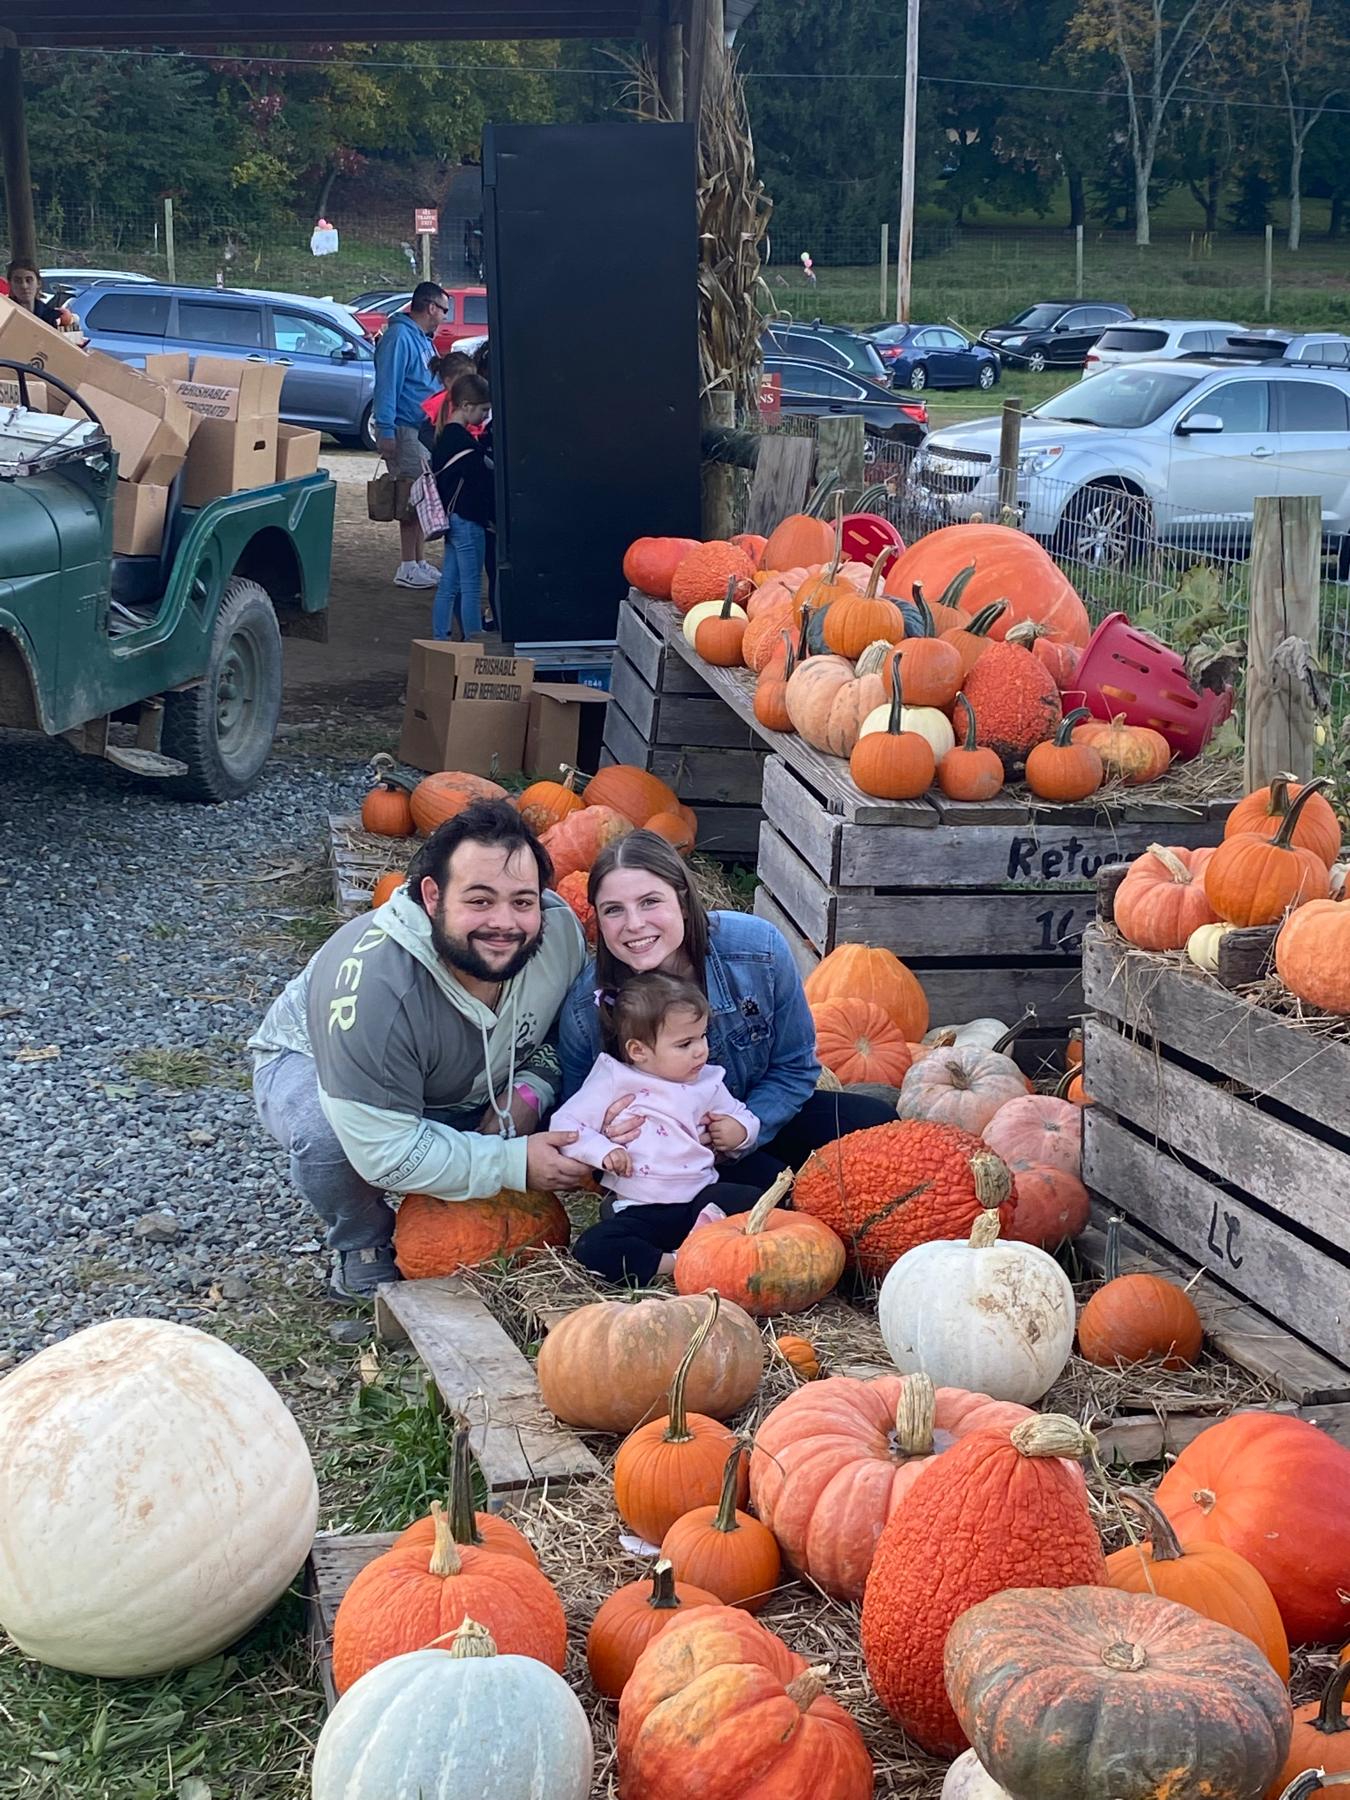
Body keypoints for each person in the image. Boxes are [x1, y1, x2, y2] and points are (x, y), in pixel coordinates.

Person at [250, 798, 593, 1299]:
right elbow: (383, 1151)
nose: (504, 923)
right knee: (326, 1137)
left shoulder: (560, 935)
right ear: (432, 897)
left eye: (522, 901)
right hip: (326, 1066)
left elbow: (569, 1035)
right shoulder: (375, 990)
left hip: (478, 1069)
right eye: (479, 900)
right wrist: (513, 1163)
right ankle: (362, 1241)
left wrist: (531, 1090)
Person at [559, 832, 897, 1189]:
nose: (634, 924)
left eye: (650, 902)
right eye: (614, 910)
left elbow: (795, 1066)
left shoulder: (758, 951)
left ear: (682, 898)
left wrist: (746, 1128)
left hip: (756, 1114)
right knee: (766, 1190)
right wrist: (608, 1138)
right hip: (673, 1158)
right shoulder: (586, 1009)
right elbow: (574, 1122)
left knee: (875, 1123)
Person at [554, 972, 764, 1284]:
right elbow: (565, 1125)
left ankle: (705, 1238)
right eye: (685, 1044)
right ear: (639, 1051)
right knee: (594, 1249)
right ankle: (675, 1262)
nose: (700, 1051)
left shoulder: (706, 1081)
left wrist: (740, 1132)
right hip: (641, 1208)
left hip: (700, 1199)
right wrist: (603, 1150)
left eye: (702, 1037)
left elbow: (743, 1116)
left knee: (754, 1196)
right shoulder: (613, 1080)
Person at [372, 280, 448, 591]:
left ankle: (416, 561)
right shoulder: (400, 337)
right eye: (443, 310)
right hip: (406, 429)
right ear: (431, 307)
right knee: (409, 497)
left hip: (420, 430)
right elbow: (387, 386)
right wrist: (386, 431)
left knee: (420, 497)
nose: (444, 316)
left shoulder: (419, 338)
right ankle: (407, 565)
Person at [431, 371, 493, 642]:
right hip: (469, 520)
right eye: (483, 410)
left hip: (450, 520)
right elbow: (480, 487)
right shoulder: (467, 445)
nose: (484, 416)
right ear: (466, 406)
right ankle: (473, 639)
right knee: (471, 586)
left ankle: (440, 638)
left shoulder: (444, 439)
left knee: (448, 585)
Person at [422, 350, 475, 432]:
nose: (469, 384)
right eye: (464, 380)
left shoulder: (472, 398)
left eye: (473, 380)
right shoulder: (442, 403)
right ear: (448, 381)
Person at [5, 259, 66, 328]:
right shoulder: (4, 314)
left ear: (38, 283)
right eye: (18, 281)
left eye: (29, 280)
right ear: (10, 284)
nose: (24, 286)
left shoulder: (49, 316)